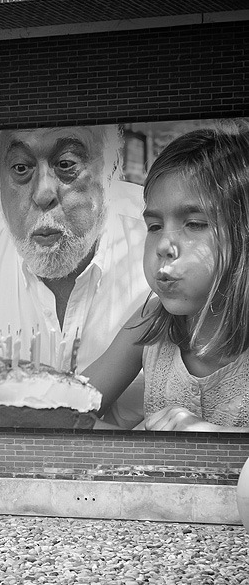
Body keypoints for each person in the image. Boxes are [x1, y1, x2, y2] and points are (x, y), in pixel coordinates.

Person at [0, 125, 149, 428]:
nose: (43, 193)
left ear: (113, 169)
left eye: (66, 164)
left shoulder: (162, 248)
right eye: (21, 168)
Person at [82, 124, 249, 432]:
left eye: (194, 224)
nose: (163, 245)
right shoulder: (151, 322)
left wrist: (214, 437)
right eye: (155, 226)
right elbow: (67, 412)